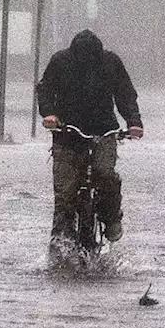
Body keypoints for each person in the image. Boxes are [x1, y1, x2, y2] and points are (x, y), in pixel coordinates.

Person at [36, 29, 144, 244]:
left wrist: (133, 122)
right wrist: (49, 114)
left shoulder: (111, 62)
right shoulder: (60, 61)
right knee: (65, 193)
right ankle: (60, 242)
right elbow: (45, 89)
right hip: (68, 132)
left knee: (105, 174)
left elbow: (125, 94)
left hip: (104, 130)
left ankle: (112, 218)